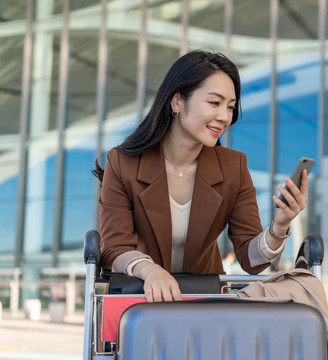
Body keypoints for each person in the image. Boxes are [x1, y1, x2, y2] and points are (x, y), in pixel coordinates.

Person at [94, 50, 308, 303]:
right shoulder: (123, 163)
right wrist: (149, 270)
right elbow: (114, 247)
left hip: (203, 301)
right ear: (177, 102)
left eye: (230, 107)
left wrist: (280, 226)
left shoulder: (233, 167)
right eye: (214, 103)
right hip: (139, 300)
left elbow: (251, 260)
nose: (224, 117)